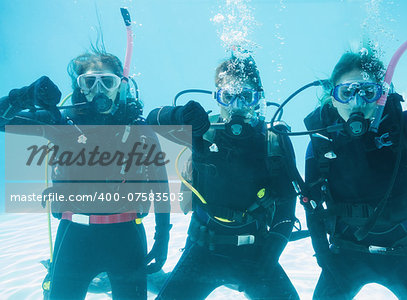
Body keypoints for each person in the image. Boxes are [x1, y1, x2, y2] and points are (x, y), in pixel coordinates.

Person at [0, 50, 172, 299]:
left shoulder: (138, 129)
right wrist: (23, 96)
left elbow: (160, 185)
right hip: (74, 237)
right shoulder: (61, 124)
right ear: (80, 87)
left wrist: (163, 237)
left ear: (120, 86)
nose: (99, 90)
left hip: (127, 237)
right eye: (90, 82)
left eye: (108, 82)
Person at [147, 55, 300, 299]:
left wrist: (269, 258)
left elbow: (286, 209)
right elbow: (150, 122)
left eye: (246, 96)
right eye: (228, 96)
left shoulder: (273, 142)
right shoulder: (202, 132)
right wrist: (179, 115)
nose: (237, 106)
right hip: (201, 249)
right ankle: (157, 279)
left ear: (258, 99)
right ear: (217, 97)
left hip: (257, 252)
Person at [302, 49, 407, 299]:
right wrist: (324, 258)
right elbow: (312, 206)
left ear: (382, 96)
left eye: (368, 92)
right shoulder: (322, 143)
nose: (357, 103)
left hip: (405, 248)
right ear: (332, 97)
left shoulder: (405, 127)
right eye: (346, 92)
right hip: (345, 252)